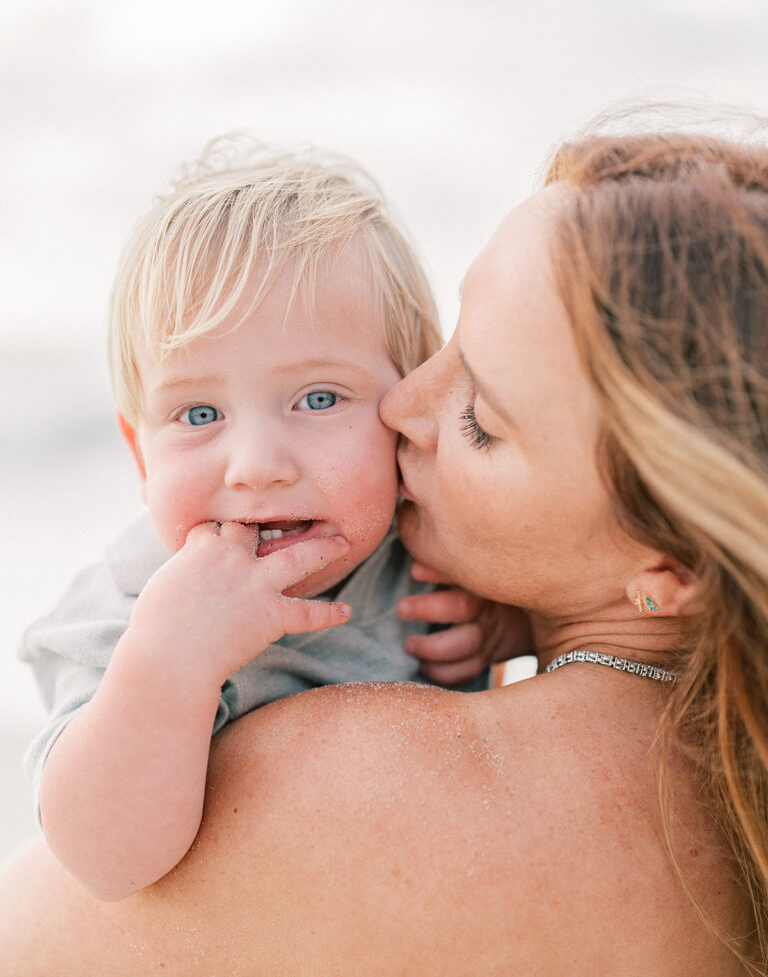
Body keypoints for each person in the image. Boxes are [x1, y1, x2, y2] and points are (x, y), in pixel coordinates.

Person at [1, 122, 766, 975]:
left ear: (671, 566)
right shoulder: (725, 789)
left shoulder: (354, 778)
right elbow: (96, 845)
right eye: (448, 347)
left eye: (480, 416)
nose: (400, 407)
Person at [19, 138, 511, 902]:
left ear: (406, 411)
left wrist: (509, 624)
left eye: (318, 399)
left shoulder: (436, 547)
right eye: (199, 412)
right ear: (140, 455)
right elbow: (102, 861)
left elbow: (615, 615)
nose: (256, 465)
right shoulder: (130, 614)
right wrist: (169, 663)